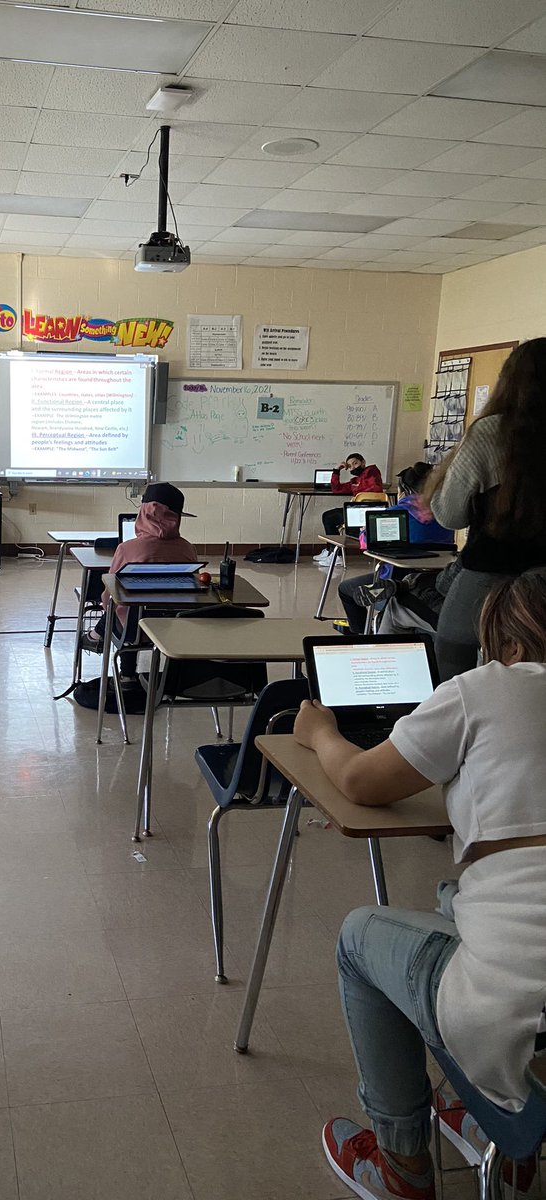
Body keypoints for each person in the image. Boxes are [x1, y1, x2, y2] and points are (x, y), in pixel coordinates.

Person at [294, 568, 546, 1200]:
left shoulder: (484, 690)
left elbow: (359, 783)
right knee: (450, 902)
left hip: (515, 1029)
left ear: (509, 645)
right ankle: (486, 1135)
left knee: (361, 934)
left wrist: (322, 732)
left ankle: (402, 1163)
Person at [424, 337, 546, 681]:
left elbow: (450, 515)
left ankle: (457, 729)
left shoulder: (493, 431)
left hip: (492, 570)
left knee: (451, 654)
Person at [82, 482, 197, 675]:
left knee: (124, 610)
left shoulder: (127, 549)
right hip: (175, 628)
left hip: (136, 630)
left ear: (143, 513)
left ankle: (126, 675)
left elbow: (108, 596)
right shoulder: (188, 549)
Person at [337, 462, 454, 633]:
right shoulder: (446, 515)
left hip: (394, 586)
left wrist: (364, 532)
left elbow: (365, 545)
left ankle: (361, 634)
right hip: (437, 586)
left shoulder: (396, 512)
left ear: (404, 490)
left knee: (346, 589)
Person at [315, 453, 385, 565]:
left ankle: (336, 555)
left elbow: (372, 488)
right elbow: (336, 489)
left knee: (329, 517)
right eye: (350, 466)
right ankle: (330, 551)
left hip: (367, 512)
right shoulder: (354, 481)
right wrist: (336, 471)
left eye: (355, 463)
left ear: (363, 462)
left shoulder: (373, 472)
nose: (353, 467)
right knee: (328, 516)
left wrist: (356, 497)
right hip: (355, 511)